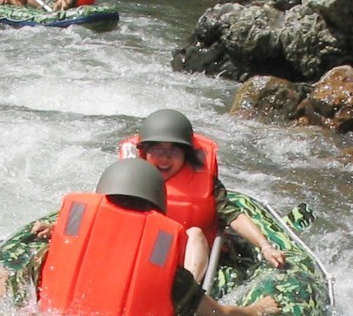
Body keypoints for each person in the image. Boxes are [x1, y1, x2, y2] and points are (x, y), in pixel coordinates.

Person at [38, 159, 280, 316]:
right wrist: (259, 309)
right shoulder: (172, 278)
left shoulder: (52, 254)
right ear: (155, 207)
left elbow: (17, 297)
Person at [121, 109, 287, 279]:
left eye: (174, 150)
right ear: (144, 152)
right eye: (157, 149)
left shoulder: (207, 185)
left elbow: (234, 216)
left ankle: (189, 292)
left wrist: (265, 246)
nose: (165, 158)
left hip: (187, 256)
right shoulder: (127, 180)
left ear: (186, 155)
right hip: (144, 252)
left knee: (194, 232)